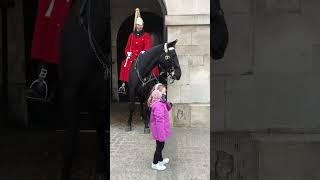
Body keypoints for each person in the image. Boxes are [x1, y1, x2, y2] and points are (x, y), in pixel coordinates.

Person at [118, 10, 159, 94]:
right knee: (124, 64)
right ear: (135, 25)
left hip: (142, 55)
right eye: (137, 25)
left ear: (142, 26)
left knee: (153, 65)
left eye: (140, 25)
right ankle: (123, 85)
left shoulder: (146, 35)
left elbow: (148, 45)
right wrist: (128, 53)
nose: (138, 27)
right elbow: (127, 47)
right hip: (132, 56)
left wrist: (144, 51)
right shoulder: (131, 35)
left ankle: (155, 80)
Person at [147, 83, 172, 171]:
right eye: (164, 92)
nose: (165, 94)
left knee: (159, 145)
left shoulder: (160, 102)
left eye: (165, 92)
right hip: (159, 130)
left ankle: (160, 160)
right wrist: (162, 134)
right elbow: (159, 121)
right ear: (158, 93)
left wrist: (167, 104)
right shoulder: (158, 105)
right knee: (160, 146)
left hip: (160, 130)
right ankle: (155, 163)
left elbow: (166, 109)